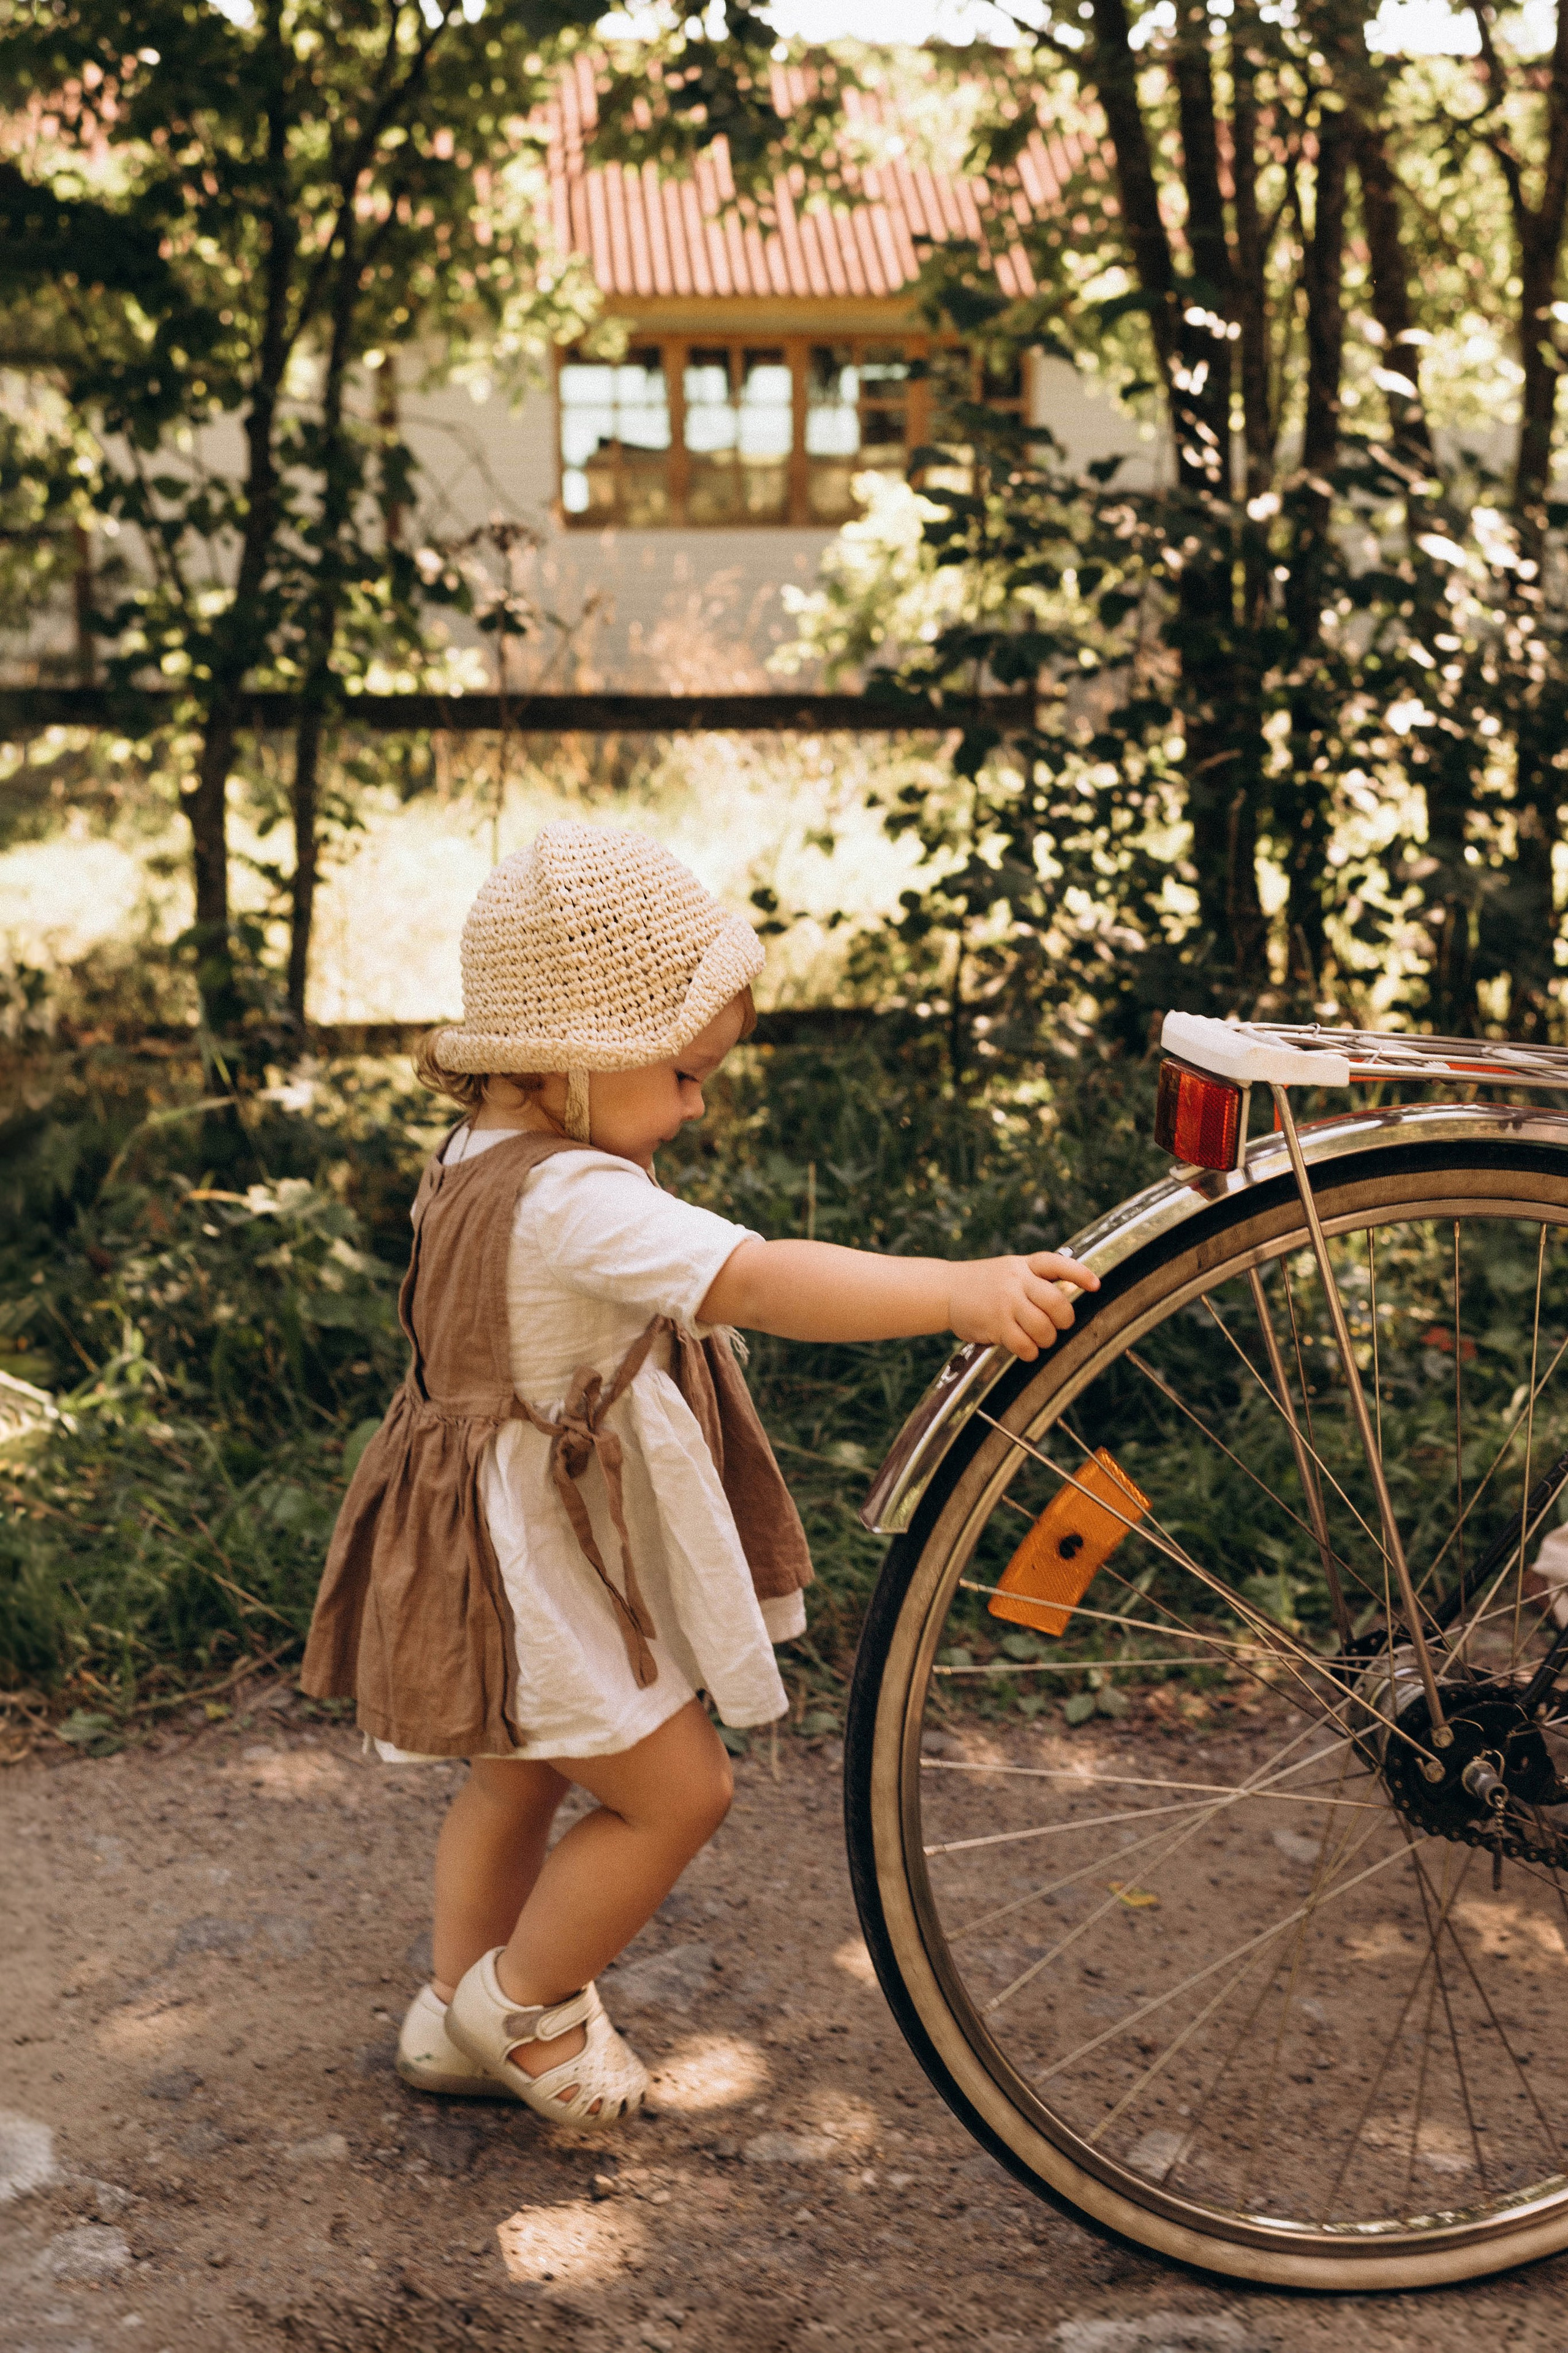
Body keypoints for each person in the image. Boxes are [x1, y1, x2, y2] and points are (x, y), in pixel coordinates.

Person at [300, 822, 1096, 2133]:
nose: (697, 1105)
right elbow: (759, 1277)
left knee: (512, 1774)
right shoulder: (576, 1201)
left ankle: (455, 2012)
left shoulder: (471, 1161)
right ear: (578, 1055)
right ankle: (528, 2006)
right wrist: (956, 1291)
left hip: (487, 1536)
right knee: (681, 1791)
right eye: (683, 1072)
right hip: (539, 1565)